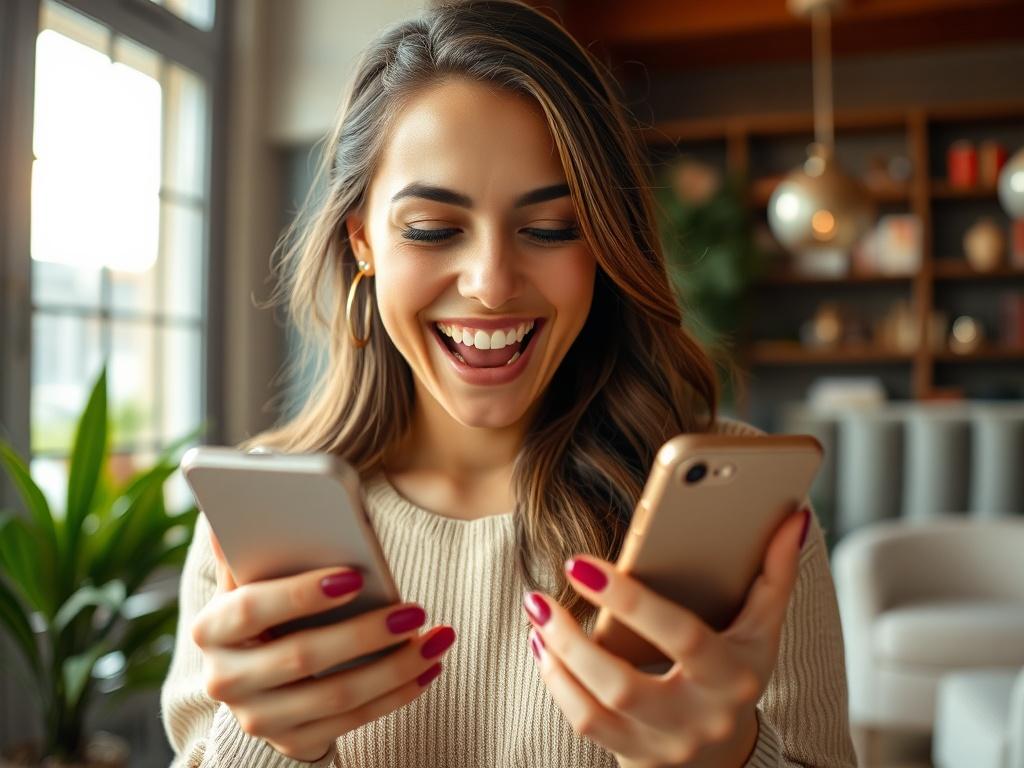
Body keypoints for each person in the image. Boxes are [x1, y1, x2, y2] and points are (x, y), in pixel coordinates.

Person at [160, 1, 858, 766]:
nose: (492, 284)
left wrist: (730, 759)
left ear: (603, 242)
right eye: (432, 229)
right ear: (362, 239)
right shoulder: (255, 512)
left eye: (553, 227)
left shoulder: (738, 515)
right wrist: (266, 749)